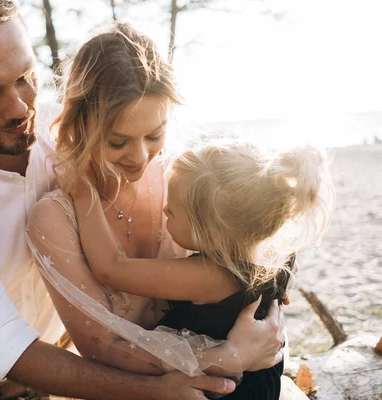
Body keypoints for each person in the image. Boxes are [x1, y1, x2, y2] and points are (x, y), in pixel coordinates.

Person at [0, 1, 253, 398]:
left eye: (24, 77)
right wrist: (170, 384)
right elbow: (9, 348)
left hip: (82, 346)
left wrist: (255, 275)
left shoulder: (75, 130)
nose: (19, 106)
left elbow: (178, 175)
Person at [26, 23, 291, 398]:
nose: (140, 157)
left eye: (155, 135)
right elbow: (101, 347)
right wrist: (230, 355)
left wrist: (274, 297)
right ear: (81, 124)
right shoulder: (53, 219)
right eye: (118, 141)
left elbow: (252, 234)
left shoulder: (179, 181)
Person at [71, 139, 333, 399]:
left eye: (172, 211)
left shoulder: (210, 276)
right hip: (263, 382)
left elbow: (112, 270)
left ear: (210, 231)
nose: (164, 209)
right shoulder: (274, 253)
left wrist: (84, 192)